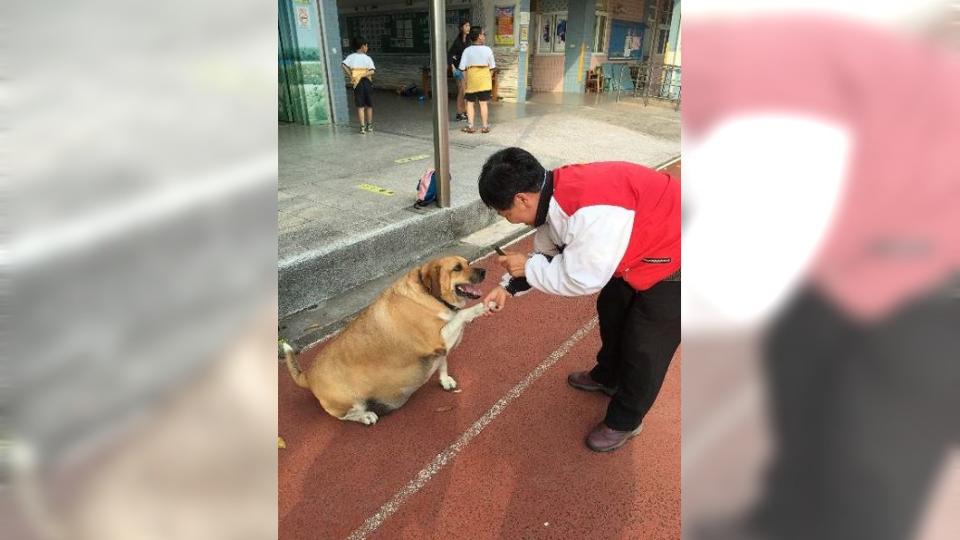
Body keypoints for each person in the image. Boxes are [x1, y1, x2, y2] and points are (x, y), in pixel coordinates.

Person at [479, 147, 681, 452]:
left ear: (522, 198)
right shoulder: (553, 194)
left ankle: (625, 421)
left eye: (505, 213)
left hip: (680, 253)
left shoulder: (590, 212)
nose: (508, 220)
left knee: (646, 345)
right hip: (645, 243)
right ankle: (609, 376)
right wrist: (508, 287)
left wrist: (529, 267)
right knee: (612, 308)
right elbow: (548, 252)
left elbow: (582, 278)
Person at [458, 27, 495, 134]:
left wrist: (465, 82)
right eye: (484, 34)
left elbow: (462, 69)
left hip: (471, 81)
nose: (484, 36)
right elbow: (492, 68)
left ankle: (471, 126)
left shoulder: (467, 50)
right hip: (484, 81)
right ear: (479, 36)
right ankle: (485, 127)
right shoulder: (488, 50)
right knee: (483, 104)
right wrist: (487, 78)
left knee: (470, 104)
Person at [341, 38, 376, 134]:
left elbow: (343, 65)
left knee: (360, 106)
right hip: (367, 82)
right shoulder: (367, 58)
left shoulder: (351, 57)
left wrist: (351, 75)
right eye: (366, 46)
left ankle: (362, 127)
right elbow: (372, 71)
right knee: (369, 105)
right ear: (362, 46)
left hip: (357, 83)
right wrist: (363, 74)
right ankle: (369, 125)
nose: (367, 48)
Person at [447, 20, 471, 122]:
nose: (468, 27)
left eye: (469, 25)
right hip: (458, 69)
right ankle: (459, 113)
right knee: (461, 91)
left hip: (467, 69)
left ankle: (465, 111)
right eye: (466, 25)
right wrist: (452, 68)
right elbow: (449, 55)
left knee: (465, 91)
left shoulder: (469, 40)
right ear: (462, 28)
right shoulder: (457, 42)